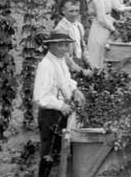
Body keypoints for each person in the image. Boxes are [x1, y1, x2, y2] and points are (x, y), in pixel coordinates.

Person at [33, 29, 86, 177]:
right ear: (50, 46)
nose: (63, 49)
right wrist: (60, 105)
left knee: (59, 150)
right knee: (48, 153)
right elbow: (40, 96)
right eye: (60, 45)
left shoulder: (60, 60)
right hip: (50, 114)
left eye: (66, 45)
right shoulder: (46, 65)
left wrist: (75, 89)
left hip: (62, 110)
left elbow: (66, 80)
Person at [87, 0, 131, 68]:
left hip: (105, 27)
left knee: (103, 58)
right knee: (97, 58)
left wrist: (114, 21)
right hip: (100, 29)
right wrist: (113, 29)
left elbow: (106, 14)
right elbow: (101, 18)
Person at [54, 0, 91, 76]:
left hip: (79, 64)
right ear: (63, 11)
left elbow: (83, 47)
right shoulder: (60, 29)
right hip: (66, 69)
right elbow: (64, 57)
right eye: (71, 11)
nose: (74, 14)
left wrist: (89, 62)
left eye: (76, 11)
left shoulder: (79, 26)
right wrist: (81, 71)